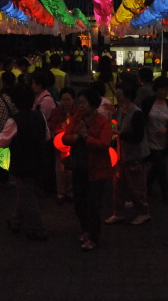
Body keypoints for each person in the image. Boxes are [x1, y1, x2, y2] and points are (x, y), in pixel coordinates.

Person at [0, 84, 50, 241]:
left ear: (15, 103)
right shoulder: (39, 117)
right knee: (26, 194)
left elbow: (2, 143)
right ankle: (15, 222)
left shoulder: (14, 121)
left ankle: (39, 230)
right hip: (39, 161)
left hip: (21, 164)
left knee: (28, 198)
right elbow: (47, 137)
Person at [64, 88, 113, 251]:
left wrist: (86, 137)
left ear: (93, 104)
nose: (80, 106)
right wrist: (77, 137)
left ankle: (94, 237)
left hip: (97, 170)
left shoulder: (103, 122)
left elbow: (105, 145)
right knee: (80, 203)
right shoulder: (77, 118)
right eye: (80, 102)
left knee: (93, 205)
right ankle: (86, 230)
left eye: (83, 102)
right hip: (79, 167)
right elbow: (65, 138)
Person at [105, 85, 150, 226]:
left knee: (136, 187)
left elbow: (138, 136)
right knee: (118, 186)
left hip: (134, 156)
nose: (117, 97)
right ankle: (118, 213)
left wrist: (120, 134)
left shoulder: (136, 113)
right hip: (121, 154)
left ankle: (143, 213)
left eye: (119, 94)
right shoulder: (121, 111)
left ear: (128, 96)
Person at [141, 76, 168, 205]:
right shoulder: (148, 102)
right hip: (149, 140)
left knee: (157, 166)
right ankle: (166, 193)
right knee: (161, 165)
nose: (164, 92)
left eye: (166, 90)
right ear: (156, 90)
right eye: (161, 89)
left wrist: (166, 130)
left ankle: (147, 186)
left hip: (164, 142)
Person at [49, 87, 79, 205]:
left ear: (73, 100)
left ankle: (70, 192)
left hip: (72, 144)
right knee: (60, 169)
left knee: (71, 169)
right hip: (60, 144)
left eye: (68, 99)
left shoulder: (77, 112)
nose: (66, 102)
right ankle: (61, 193)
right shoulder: (56, 112)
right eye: (63, 100)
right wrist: (63, 124)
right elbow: (52, 127)